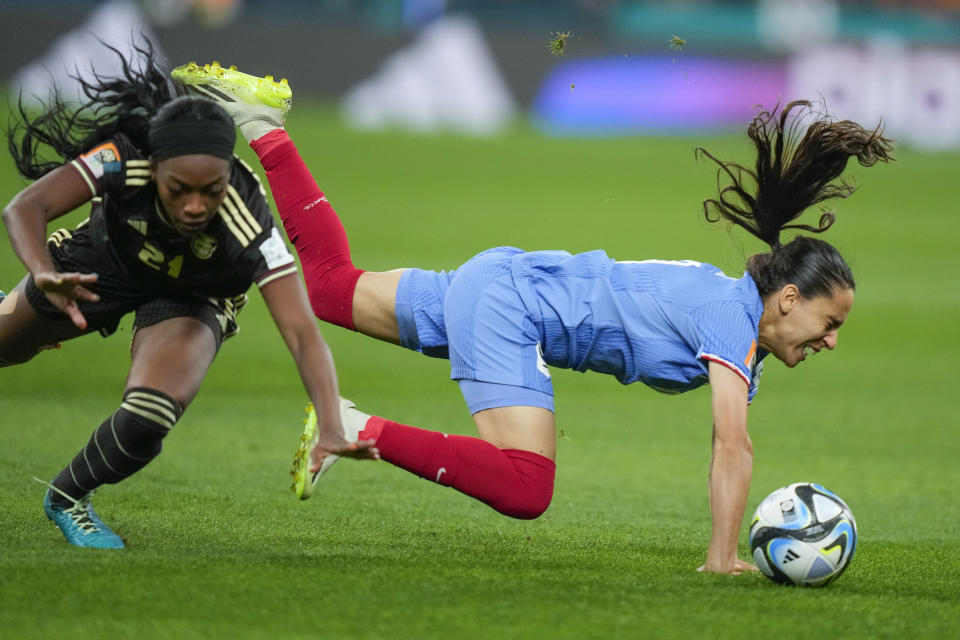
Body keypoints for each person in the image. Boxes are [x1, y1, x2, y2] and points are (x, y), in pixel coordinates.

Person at [173, 62, 892, 574]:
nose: (831, 341)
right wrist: (722, 558)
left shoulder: (737, 322)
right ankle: (355, 429)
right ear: (788, 299)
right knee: (525, 486)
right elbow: (732, 448)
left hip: (508, 279)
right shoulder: (731, 320)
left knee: (330, 288)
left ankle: (262, 125)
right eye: (829, 323)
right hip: (513, 306)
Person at [0, 44, 374, 550]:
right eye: (178, 189)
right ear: (155, 169)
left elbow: (302, 331)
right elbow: (26, 207)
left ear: (228, 176)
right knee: (7, 346)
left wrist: (330, 422)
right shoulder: (123, 156)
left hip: (194, 294)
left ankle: (67, 497)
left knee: (149, 418)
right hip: (100, 266)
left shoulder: (247, 215)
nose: (196, 206)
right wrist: (43, 273)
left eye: (212, 189)